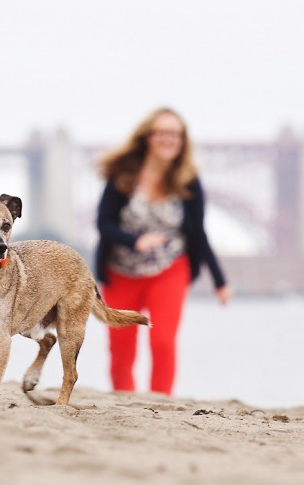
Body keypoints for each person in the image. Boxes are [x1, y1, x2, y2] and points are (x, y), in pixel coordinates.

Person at [95, 107, 232, 396]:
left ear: (182, 141)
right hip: (121, 271)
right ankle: (125, 403)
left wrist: (220, 281)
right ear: (148, 137)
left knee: (163, 341)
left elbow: (199, 233)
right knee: (121, 349)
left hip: (170, 269)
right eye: (162, 133)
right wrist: (135, 241)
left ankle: (162, 403)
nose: (169, 139)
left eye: (176, 134)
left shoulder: (187, 181)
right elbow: (104, 224)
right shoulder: (123, 176)